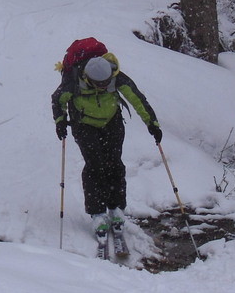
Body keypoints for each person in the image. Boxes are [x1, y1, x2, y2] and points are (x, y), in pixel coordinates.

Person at [51, 50, 163, 237]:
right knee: (95, 165)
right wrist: (60, 121)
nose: (103, 87)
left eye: (106, 83)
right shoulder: (73, 81)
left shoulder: (116, 77)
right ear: (87, 77)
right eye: (99, 84)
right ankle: (97, 213)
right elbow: (58, 100)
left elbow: (137, 99)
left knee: (114, 163)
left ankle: (116, 208)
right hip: (84, 125)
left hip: (112, 122)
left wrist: (152, 124)